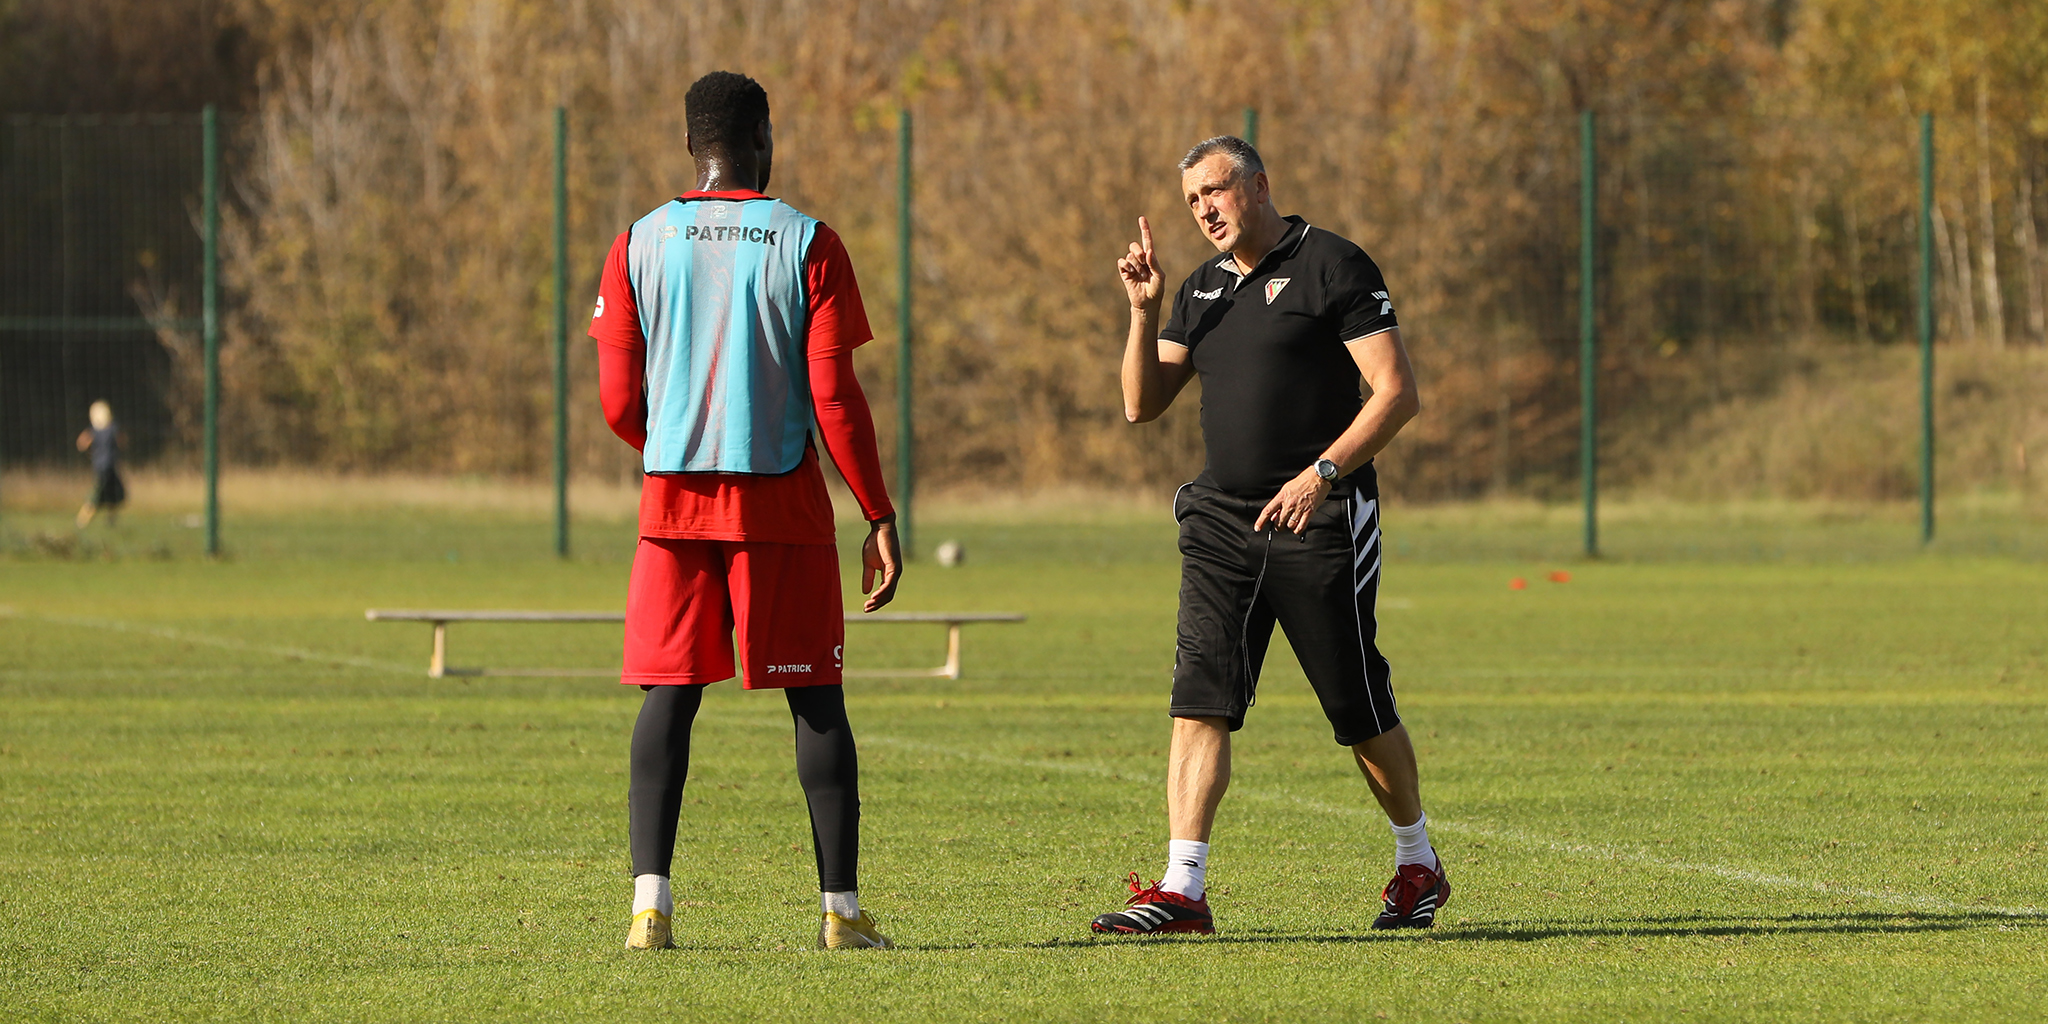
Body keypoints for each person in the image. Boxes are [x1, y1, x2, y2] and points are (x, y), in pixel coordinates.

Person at [1091, 135, 1443, 935]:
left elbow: (1396, 393)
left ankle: (1417, 861)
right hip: (1221, 522)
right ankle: (1183, 889)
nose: (1204, 210)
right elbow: (1141, 404)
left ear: (1257, 185)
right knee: (1199, 701)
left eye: (1215, 191)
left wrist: (1321, 475)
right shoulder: (1201, 288)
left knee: (1355, 704)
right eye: (1192, 200)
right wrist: (1142, 312)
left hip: (1320, 516)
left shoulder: (1333, 265)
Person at [588, 71, 903, 952]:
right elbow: (834, 398)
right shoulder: (809, 241)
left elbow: (617, 401)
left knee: (669, 695)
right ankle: (840, 914)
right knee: (816, 698)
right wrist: (877, 512)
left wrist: (674, 441)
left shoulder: (637, 240)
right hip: (782, 504)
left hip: (672, 505)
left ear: (692, 145)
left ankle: (650, 908)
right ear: (763, 138)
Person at [74, 400, 126, 528]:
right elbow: (123, 442)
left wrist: (92, 451)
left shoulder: (93, 431)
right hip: (109, 467)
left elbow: (81, 444)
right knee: (98, 495)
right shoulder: (113, 428)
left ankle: (109, 523)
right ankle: (81, 522)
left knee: (112, 494)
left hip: (100, 467)